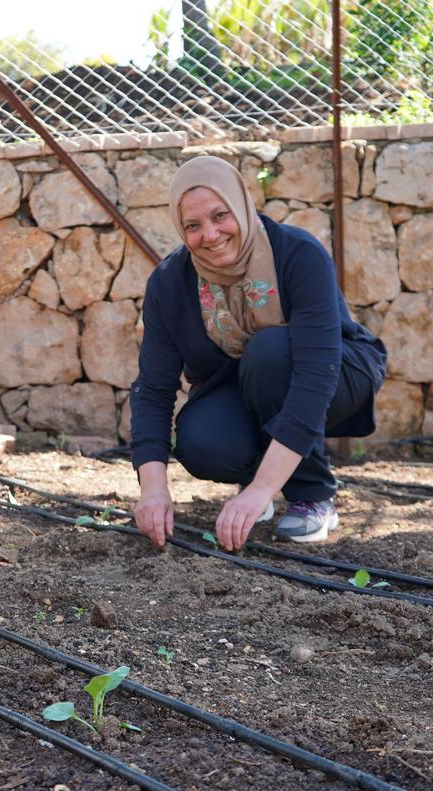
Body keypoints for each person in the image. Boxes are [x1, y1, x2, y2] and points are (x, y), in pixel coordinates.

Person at [130, 156, 386, 553]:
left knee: (269, 352)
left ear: (241, 205)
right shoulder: (169, 283)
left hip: (338, 371)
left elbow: (316, 375)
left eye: (220, 216)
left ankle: (312, 495)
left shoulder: (297, 253)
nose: (210, 235)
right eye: (193, 226)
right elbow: (153, 388)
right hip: (241, 385)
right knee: (201, 440)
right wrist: (153, 489)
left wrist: (263, 491)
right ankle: (258, 478)